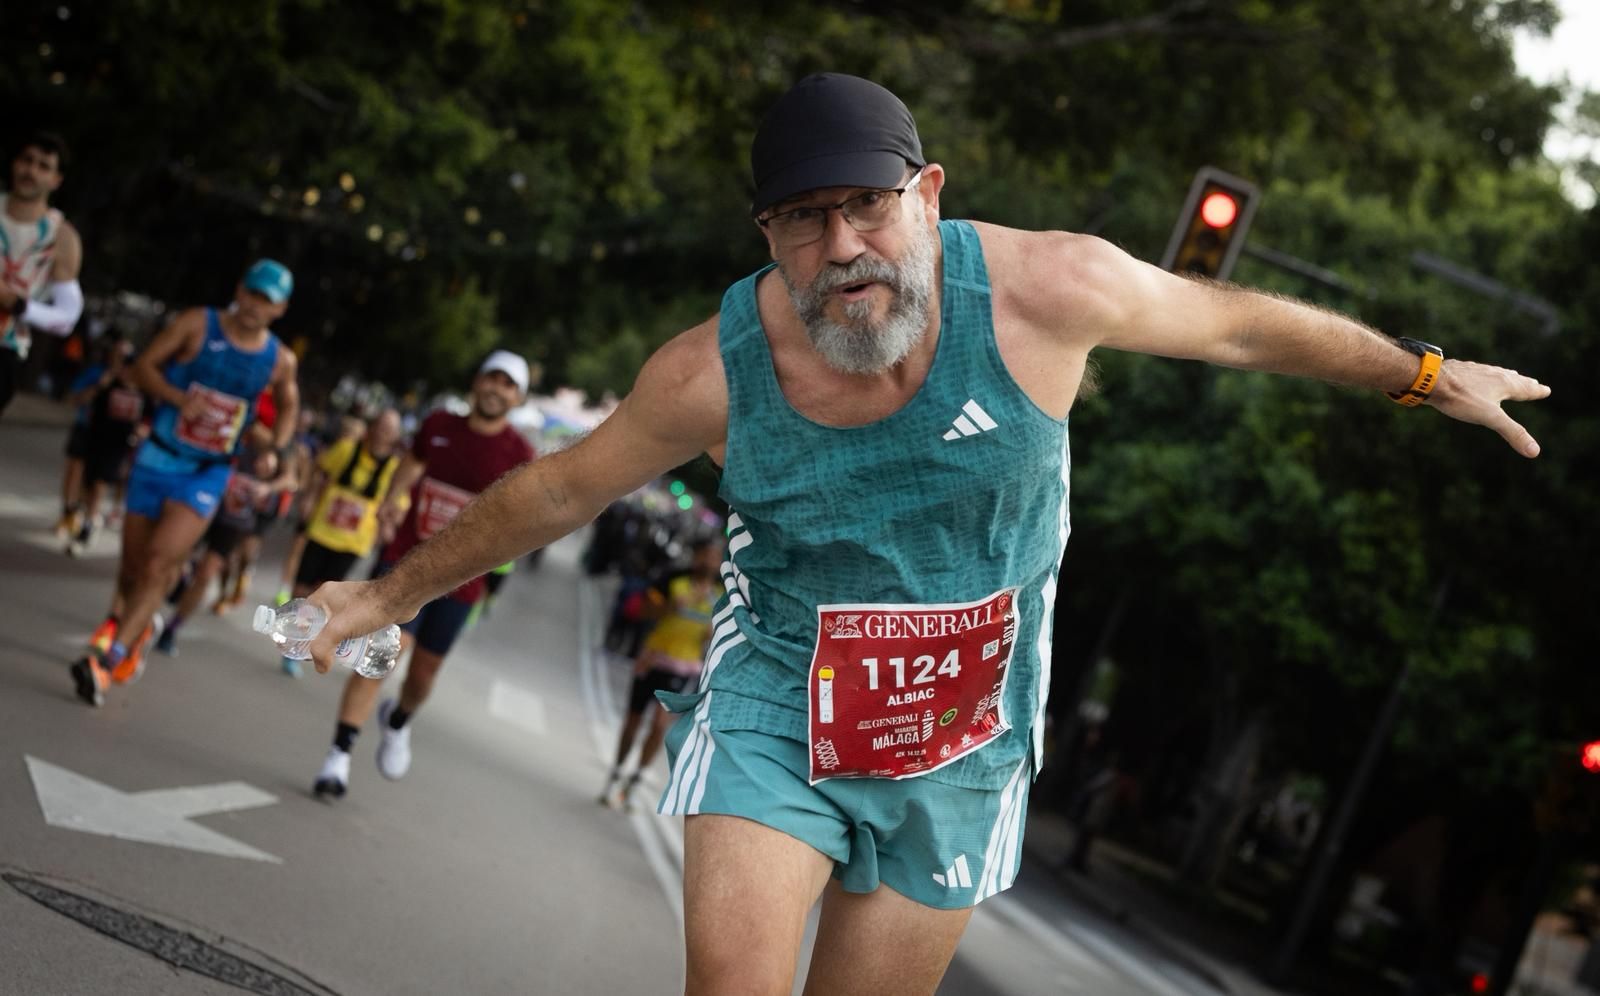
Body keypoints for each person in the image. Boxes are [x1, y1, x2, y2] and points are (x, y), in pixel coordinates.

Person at [301, 73, 1548, 992]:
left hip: (966, 730)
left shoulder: (1051, 290)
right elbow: (561, 489)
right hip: (778, 696)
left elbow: (1234, 324)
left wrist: (1423, 374)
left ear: (928, 195)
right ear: (767, 239)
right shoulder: (712, 373)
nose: (843, 249)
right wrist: (386, 595)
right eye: (803, 221)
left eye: (867, 208)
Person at [70, 259, 298, 707]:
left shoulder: (279, 359)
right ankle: (134, 631)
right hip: (157, 457)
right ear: (240, 289)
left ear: (280, 309)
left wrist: (277, 447)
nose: (255, 305)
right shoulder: (199, 323)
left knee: (158, 564)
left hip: (208, 472)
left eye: (266, 300)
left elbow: (289, 405)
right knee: (133, 569)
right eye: (252, 293)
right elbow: (143, 368)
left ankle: (107, 657)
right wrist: (177, 398)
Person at [311, 352, 534, 799]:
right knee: (385, 653)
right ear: (476, 382)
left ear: (519, 397)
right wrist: (391, 504)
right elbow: (410, 468)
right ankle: (338, 757)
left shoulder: (519, 454)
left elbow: (517, 520)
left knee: (422, 677)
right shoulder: (437, 427)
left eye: (508, 384)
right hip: (407, 562)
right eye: (491, 378)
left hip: (462, 582)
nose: (496, 389)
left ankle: (398, 720)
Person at [600, 537, 722, 811]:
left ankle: (636, 779)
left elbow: (721, 636)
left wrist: (712, 635)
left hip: (682, 666)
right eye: (704, 555)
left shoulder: (721, 594)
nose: (708, 562)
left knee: (658, 725)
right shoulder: (672, 580)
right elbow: (641, 609)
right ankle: (616, 771)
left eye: (714, 558)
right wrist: (669, 607)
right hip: (652, 660)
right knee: (632, 722)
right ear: (696, 556)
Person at [277, 408, 402, 675]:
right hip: (323, 529)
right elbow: (320, 469)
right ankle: (294, 635)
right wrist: (309, 497)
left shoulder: (394, 469)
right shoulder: (347, 449)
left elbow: (398, 505)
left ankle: (301, 647)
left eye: (389, 430)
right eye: (380, 426)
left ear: (395, 437)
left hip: (352, 543)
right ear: (373, 426)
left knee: (325, 595)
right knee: (302, 589)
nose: (383, 433)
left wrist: (388, 524)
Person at [156, 445, 280, 655]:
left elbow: (293, 477)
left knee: (206, 574)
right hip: (206, 505)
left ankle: (172, 628)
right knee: (175, 558)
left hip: (234, 524)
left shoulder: (279, 448)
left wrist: (269, 486)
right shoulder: (235, 431)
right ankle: (181, 579)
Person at [1, 133, 84, 417]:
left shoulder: (60, 237)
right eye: (26, 160)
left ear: (56, 180)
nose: (31, 171)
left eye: (44, 166)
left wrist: (16, 302)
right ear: (13, 164)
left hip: (4, 347)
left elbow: (67, 316)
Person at [66, 338, 145, 556]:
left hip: (119, 447)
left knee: (100, 485)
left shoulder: (143, 393)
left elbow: (148, 420)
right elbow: (80, 401)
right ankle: (81, 518)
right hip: (97, 439)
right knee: (87, 485)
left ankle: (88, 526)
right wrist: (102, 384)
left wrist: (141, 433)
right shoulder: (107, 385)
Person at [56, 337, 118, 538]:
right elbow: (73, 398)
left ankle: (87, 518)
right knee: (75, 471)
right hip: (86, 429)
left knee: (97, 481)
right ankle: (68, 513)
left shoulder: (130, 380)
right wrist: (100, 386)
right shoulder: (96, 373)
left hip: (109, 438)